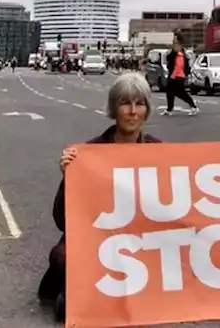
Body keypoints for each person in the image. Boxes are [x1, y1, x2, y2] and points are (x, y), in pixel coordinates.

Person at [44, 72, 162, 322]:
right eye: (124, 103)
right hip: (97, 238)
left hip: (143, 238)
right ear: (113, 108)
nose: (132, 111)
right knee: (61, 257)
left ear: (147, 109)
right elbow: (62, 221)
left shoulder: (160, 151)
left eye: (139, 104)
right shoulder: (89, 152)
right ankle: (75, 292)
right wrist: (68, 178)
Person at [162, 33, 199, 116]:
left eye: (175, 42)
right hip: (175, 76)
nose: (173, 43)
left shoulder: (180, 54)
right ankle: (169, 109)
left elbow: (178, 66)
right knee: (170, 93)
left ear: (179, 44)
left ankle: (193, 106)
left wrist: (172, 77)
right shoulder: (174, 53)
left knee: (180, 93)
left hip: (178, 77)